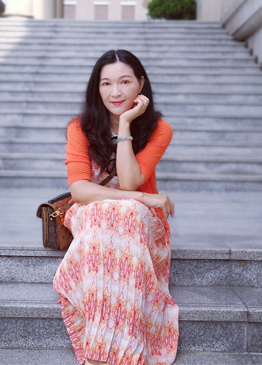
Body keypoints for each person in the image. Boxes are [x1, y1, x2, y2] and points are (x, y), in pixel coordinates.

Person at [53, 49, 179, 365]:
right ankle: (114, 353)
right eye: (106, 84)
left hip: (138, 223)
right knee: (112, 211)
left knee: (127, 212)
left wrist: (125, 125)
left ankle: (104, 354)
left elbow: (130, 181)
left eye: (125, 82)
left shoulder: (159, 129)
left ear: (141, 84)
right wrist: (143, 198)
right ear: (97, 88)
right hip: (94, 216)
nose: (116, 92)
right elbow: (79, 190)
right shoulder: (79, 127)